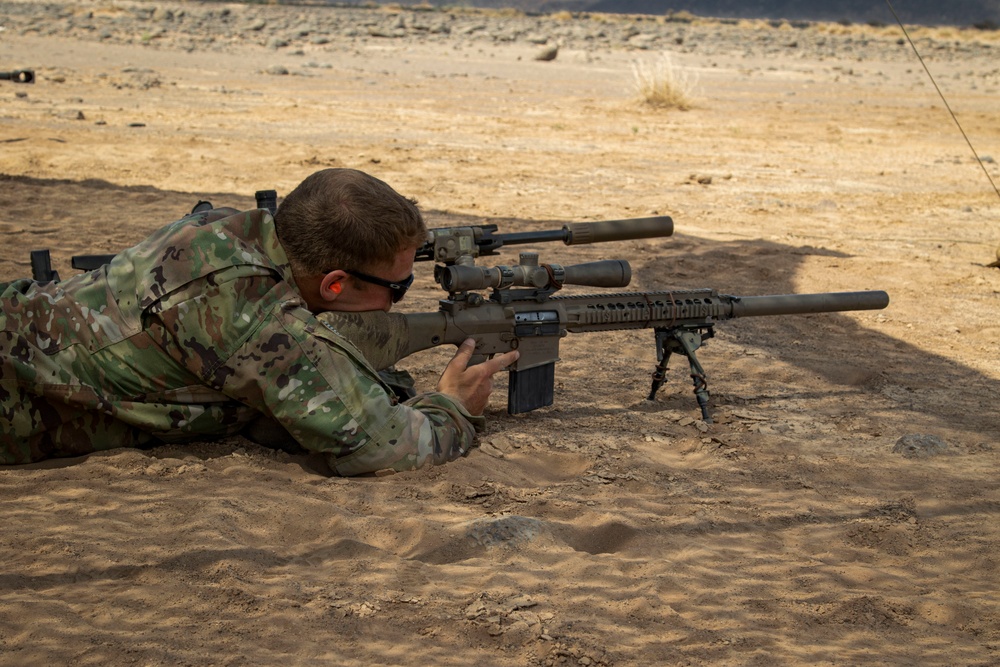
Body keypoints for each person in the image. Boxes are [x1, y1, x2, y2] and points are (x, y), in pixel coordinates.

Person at [0, 168, 518, 475]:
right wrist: (453, 406)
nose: (396, 302)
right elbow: (382, 447)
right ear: (335, 283)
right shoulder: (259, 320)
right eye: (397, 288)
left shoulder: (224, 229)